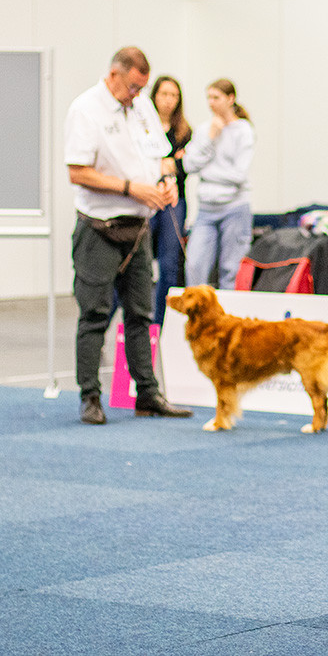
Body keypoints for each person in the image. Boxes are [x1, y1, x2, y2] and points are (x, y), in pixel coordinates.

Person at [64, 46, 193, 425]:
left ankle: (147, 394)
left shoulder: (142, 108)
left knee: (142, 313)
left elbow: (161, 158)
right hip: (98, 228)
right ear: (114, 75)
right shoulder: (85, 109)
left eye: (142, 87)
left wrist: (166, 182)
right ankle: (90, 397)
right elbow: (77, 171)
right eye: (134, 86)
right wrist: (130, 188)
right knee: (95, 314)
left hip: (138, 230)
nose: (138, 94)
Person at [183, 78, 255, 290]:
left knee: (230, 271)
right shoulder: (205, 130)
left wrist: (206, 172)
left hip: (235, 208)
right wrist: (210, 138)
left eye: (216, 97)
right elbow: (188, 164)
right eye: (209, 98)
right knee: (194, 266)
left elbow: (239, 175)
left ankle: (227, 321)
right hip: (206, 210)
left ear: (230, 99)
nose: (211, 103)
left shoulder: (244, 131)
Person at [149, 75, 192, 326]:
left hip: (174, 203)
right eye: (164, 94)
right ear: (155, 96)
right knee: (137, 264)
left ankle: (161, 325)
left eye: (173, 95)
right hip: (147, 200)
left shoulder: (185, 131)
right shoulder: (144, 128)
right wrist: (170, 162)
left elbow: (183, 167)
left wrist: (171, 164)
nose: (168, 100)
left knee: (169, 263)